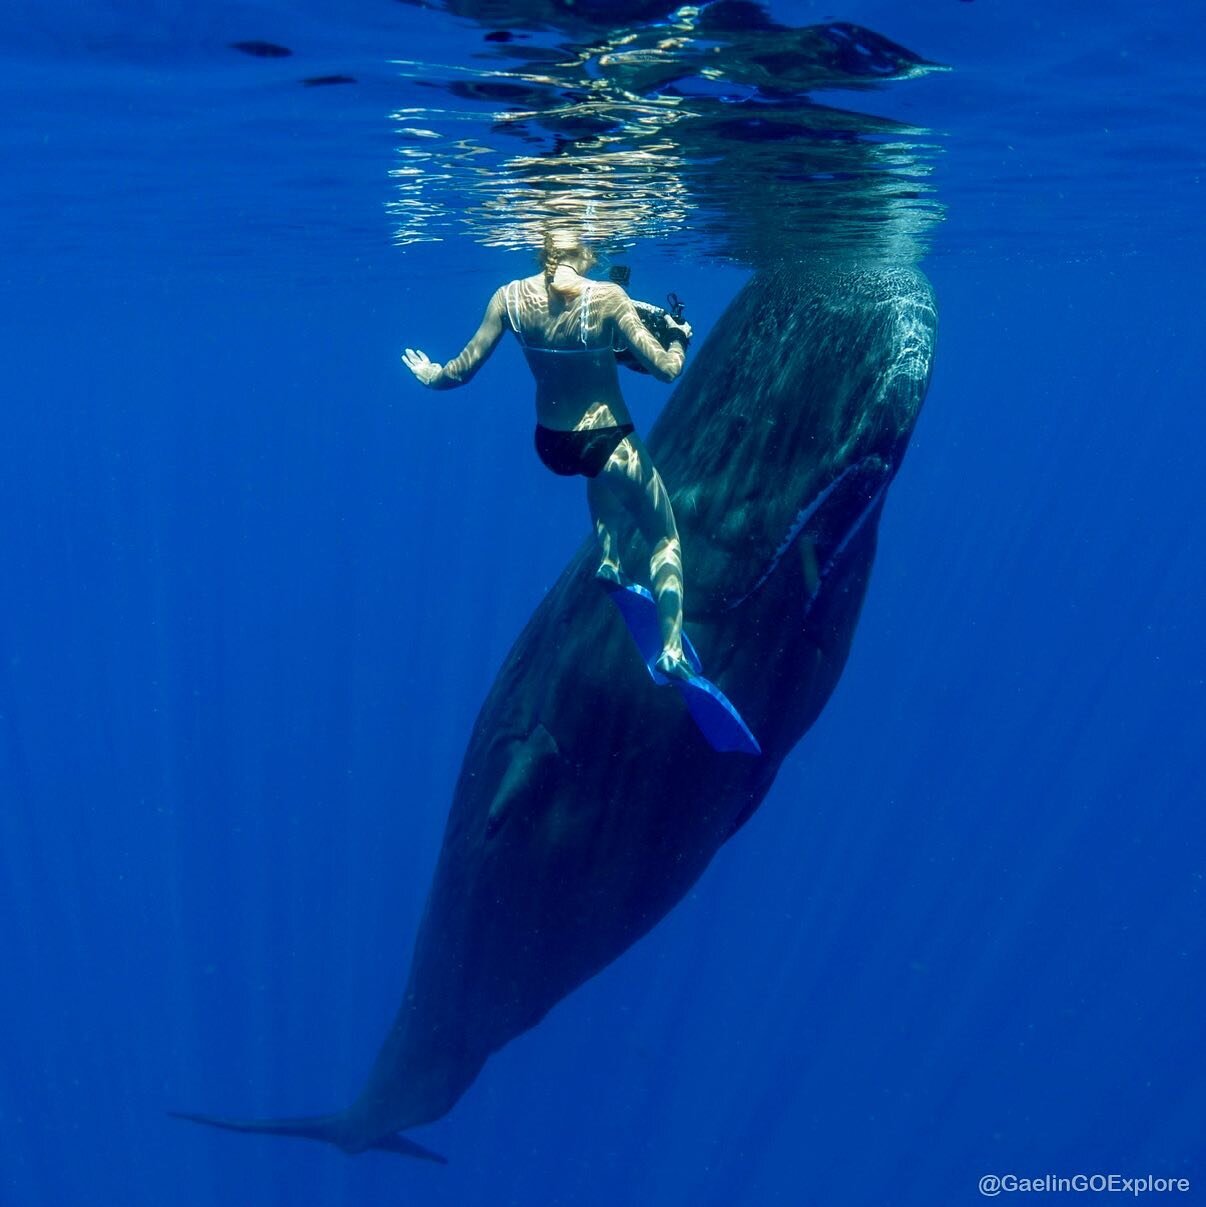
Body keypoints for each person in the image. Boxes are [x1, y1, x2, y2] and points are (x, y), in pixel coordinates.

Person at [402, 231, 695, 680]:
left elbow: (460, 373)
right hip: (607, 438)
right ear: (586, 253)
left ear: (542, 248)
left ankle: (610, 559)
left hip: (552, 443)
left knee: (594, 472)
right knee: (664, 536)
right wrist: (678, 338)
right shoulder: (609, 297)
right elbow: (667, 371)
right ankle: (672, 649)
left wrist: (430, 375)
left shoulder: (509, 297)